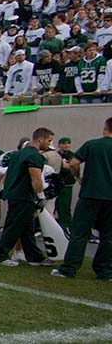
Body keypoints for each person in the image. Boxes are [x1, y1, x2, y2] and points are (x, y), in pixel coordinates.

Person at [53, 117, 112, 279]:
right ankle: (104, 271)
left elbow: (74, 163)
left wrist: (79, 178)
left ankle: (69, 268)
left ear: (105, 128)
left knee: (79, 233)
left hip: (90, 194)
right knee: (108, 236)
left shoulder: (92, 144)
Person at [0, 128, 54, 267]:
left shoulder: (17, 154)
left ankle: (34, 257)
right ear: (40, 139)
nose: (49, 144)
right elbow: (36, 178)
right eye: (49, 140)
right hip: (24, 196)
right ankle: (0, 255)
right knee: (13, 227)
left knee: (27, 228)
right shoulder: (35, 156)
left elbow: (9, 175)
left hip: (16, 194)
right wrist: (41, 196)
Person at [56, 137, 78, 231]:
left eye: (68, 143)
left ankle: (66, 226)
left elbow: (70, 167)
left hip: (67, 184)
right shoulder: (56, 155)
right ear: (59, 145)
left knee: (65, 206)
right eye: (64, 143)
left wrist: (61, 165)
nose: (66, 145)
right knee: (57, 206)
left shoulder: (72, 155)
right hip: (56, 183)